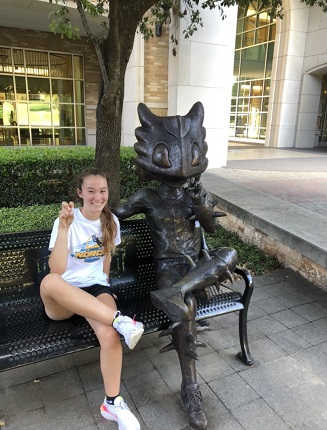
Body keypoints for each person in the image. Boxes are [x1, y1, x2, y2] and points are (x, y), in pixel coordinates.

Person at [40, 167, 143, 430]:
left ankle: (112, 403)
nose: (98, 197)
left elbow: (106, 258)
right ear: (80, 193)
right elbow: (57, 270)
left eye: (102, 191)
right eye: (91, 191)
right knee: (50, 281)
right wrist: (64, 228)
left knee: (109, 335)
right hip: (65, 295)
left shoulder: (111, 221)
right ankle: (120, 319)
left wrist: (106, 285)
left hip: (95, 288)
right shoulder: (66, 221)